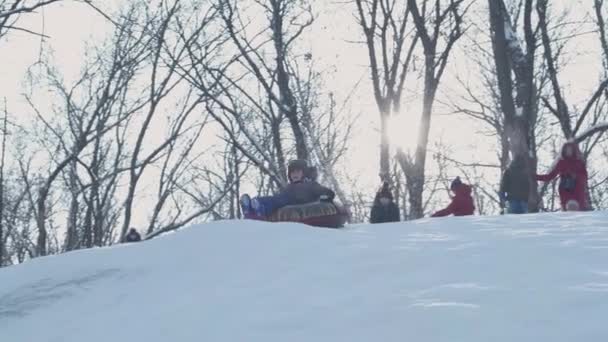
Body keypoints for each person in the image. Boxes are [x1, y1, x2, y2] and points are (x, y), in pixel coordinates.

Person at [241, 159, 335, 217]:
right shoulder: (290, 186)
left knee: (278, 201)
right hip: (287, 199)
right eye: (292, 172)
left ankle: (261, 210)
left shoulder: (311, 184)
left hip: (297, 201)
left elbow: (324, 191)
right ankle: (251, 206)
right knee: (274, 199)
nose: (295, 174)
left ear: (304, 173)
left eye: (298, 172)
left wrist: (327, 196)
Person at [536, 142, 589, 211]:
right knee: (568, 212)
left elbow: (584, 176)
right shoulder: (561, 163)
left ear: (573, 150)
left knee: (578, 213)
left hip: (578, 191)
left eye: (570, 149)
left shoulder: (579, 162)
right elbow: (550, 176)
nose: (568, 151)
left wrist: (575, 176)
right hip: (565, 190)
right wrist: (536, 177)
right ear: (564, 151)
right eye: (566, 150)